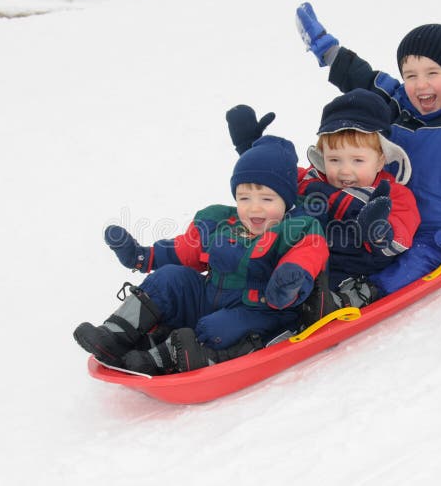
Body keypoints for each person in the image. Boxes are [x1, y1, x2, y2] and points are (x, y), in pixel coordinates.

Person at [294, 0, 441, 294]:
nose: (420, 84)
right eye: (410, 75)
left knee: (404, 270)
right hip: (395, 220)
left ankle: (362, 294)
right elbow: (361, 79)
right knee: (351, 247)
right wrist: (326, 47)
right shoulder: (398, 104)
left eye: (432, 73)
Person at [73, 135, 329, 375]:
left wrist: (288, 281)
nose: (254, 207)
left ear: (286, 201)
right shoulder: (221, 222)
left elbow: (307, 256)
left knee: (216, 328)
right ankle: (117, 334)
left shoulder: (297, 228)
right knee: (170, 278)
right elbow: (184, 251)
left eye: (267, 198)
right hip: (209, 298)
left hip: (261, 310)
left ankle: (168, 357)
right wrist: (141, 256)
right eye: (244, 197)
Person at [226, 88, 420, 308]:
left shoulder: (393, 193)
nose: (345, 171)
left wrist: (377, 229)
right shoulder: (313, 178)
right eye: (335, 160)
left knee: (307, 297)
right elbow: (276, 178)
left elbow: (402, 231)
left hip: (346, 269)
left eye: (357, 160)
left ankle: (303, 310)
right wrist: (249, 147)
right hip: (297, 257)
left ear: (380, 160)